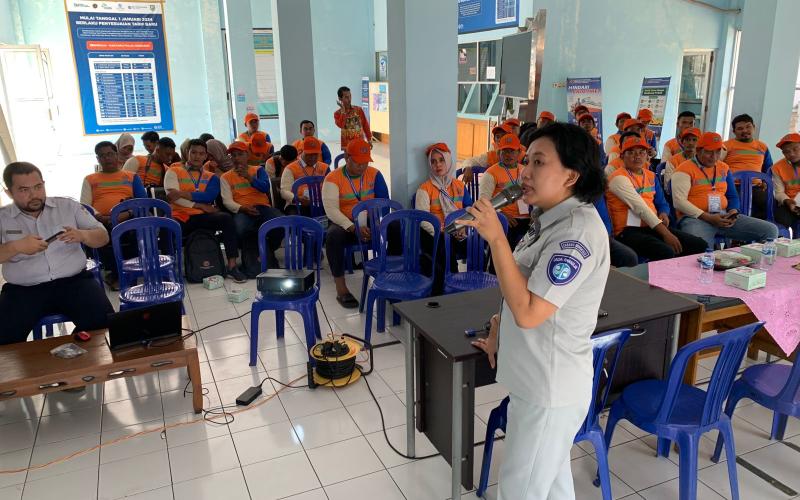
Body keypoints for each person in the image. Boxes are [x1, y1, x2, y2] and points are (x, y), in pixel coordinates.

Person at [465, 122, 609, 500]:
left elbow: (530, 312)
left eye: (539, 162)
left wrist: (496, 238)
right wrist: (500, 329)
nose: (524, 172)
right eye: (526, 161)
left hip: (549, 388)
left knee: (520, 491)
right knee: (552, 485)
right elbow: (525, 292)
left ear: (571, 175)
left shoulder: (574, 234)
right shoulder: (549, 218)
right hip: (537, 378)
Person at [0, 162, 114, 345]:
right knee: (4, 338)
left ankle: (72, 357)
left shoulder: (67, 206)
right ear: (9, 193)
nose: (34, 195)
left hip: (74, 282)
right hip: (23, 289)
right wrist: (16, 247)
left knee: (105, 323)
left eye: (38, 187)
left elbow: (103, 236)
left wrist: (82, 235)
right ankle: (41, 366)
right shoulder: (2, 217)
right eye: (24, 190)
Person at [607, 137, 707, 261]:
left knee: (699, 244)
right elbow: (641, 208)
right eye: (631, 152)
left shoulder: (650, 175)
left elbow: (661, 202)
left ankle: (680, 276)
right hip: (627, 230)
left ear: (647, 155)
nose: (637, 156)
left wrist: (663, 213)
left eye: (641, 152)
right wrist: (665, 233)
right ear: (622, 156)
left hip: (651, 225)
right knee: (667, 251)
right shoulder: (617, 178)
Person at [672, 132, 778, 248]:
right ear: (698, 150)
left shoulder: (723, 168)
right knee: (700, 248)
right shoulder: (684, 169)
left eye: (718, 151)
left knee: (770, 231)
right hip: (695, 218)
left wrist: (733, 211)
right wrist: (707, 217)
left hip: (723, 217)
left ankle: (756, 262)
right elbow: (679, 202)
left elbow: (732, 195)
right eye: (709, 152)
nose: (714, 156)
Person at [163, 139, 248, 282]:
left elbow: (209, 196)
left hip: (202, 217)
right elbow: (172, 196)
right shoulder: (174, 171)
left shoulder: (211, 177)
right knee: (166, 227)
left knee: (226, 219)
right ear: (187, 153)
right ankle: (168, 272)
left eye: (201, 154)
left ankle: (232, 266)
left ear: (206, 156)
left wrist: (183, 194)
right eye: (194, 152)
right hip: (180, 215)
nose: (197, 156)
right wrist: (199, 205)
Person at [322, 138, 390, 308]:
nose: (362, 167)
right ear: (347, 157)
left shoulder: (374, 174)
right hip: (345, 224)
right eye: (358, 162)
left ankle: (392, 277)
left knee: (397, 227)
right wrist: (353, 227)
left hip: (370, 222)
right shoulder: (333, 178)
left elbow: (384, 203)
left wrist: (375, 224)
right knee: (333, 236)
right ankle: (341, 288)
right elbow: (331, 210)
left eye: (365, 162)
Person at [80, 141, 147, 288]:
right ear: (98, 159)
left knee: (131, 233)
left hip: (127, 218)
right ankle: (119, 274)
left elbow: (143, 202)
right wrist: (101, 218)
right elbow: (84, 206)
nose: (107, 158)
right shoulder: (90, 179)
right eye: (102, 156)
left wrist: (126, 214)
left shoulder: (131, 177)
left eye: (110, 154)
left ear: (116, 155)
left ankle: (121, 274)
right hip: (100, 220)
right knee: (99, 236)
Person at [415, 143, 472, 295]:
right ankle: (448, 289)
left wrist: (464, 227)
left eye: (441, 160)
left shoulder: (459, 186)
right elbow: (423, 219)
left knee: (480, 246)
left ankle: (472, 286)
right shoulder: (424, 189)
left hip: (457, 231)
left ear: (448, 161)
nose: (437, 165)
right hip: (433, 234)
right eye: (433, 161)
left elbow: (470, 211)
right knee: (445, 249)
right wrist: (445, 230)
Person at [220, 141, 283, 268]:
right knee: (239, 229)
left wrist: (249, 178)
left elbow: (265, 188)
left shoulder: (258, 170)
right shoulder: (225, 177)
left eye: (239, 154)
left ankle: (268, 249)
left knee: (280, 224)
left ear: (247, 155)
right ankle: (250, 252)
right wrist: (242, 208)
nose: (236, 158)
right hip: (242, 210)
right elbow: (227, 201)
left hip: (263, 207)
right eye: (233, 155)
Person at [479, 134, 530, 248]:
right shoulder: (490, 173)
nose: (509, 155)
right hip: (503, 218)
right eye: (505, 151)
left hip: (526, 217)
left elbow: (535, 194)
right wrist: (502, 214)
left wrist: (535, 215)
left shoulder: (525, 171)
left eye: (512, 151)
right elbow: (484, 201)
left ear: (519, 152)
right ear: (499, 153)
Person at [722, 114, 774, 220]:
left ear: (754, 127)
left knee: (770, 204)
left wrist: (765, 183)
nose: (744, 131)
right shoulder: (726, 146)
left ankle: (762, 232)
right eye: (740, 128)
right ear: (734, 131)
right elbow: (718, 166)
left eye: (748, 127)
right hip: (732, 186)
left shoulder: (762, 147)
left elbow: (768, 168)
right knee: (735, 207)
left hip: (756, 186)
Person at [281, 136, 330, 214]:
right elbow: (284, 191)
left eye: (316, 154)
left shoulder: (325, 168)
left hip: (319, 203)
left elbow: (330, 189)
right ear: (302, 152)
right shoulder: (290, 168)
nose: (313, 157)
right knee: (295, 217)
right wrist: (298, 198)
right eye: (309, 154)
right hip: (296, 204)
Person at [771, 133, 800, 230]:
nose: (791, 154)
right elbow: (779, 192)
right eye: (786, 152)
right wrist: (788, 201)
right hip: (790, 204)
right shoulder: (777, 167)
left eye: (795, 149)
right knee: (780, 218)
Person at [334, 86, 372, 150]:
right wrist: (343, 111)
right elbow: (341, 125)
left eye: (350, 96)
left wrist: (369, 139)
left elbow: (365, 125)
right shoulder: (337, 114)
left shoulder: (358, 110)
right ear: (340, 98)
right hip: (347, 146)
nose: (349, 99)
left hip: (360, 144)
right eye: (346, 97)